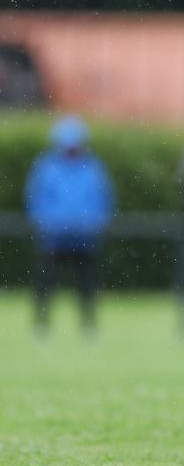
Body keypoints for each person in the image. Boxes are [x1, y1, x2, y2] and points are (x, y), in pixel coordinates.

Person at [25, 116, 115, 338]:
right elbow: (36, 198)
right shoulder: (47, 166)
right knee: (46, 282)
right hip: (54, 236)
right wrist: (45, 222)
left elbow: (103, 198)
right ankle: (41, 324)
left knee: (87, 283)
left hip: (85, 236)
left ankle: (88, 325)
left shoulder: (93, 167)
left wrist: (96, 222)